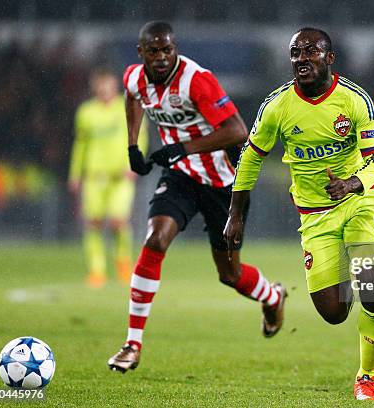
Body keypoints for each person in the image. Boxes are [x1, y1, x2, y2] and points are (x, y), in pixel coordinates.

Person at [107, 21, 286, 373]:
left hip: (223, 183)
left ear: (175, 49)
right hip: (181, 175)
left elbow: (237, 131)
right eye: (154, 51)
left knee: (230, 274)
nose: (161, 58)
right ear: (140, 53)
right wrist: (132, 144)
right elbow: (133, 98)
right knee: (155, 239)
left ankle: (272, 296)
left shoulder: (196, 80)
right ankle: (132, 343)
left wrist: (181, 146)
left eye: (167, 50)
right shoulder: (134, 78)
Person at [225, 28, 374, 401]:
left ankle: (367, 377)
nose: (302, 59)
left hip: (360, 202)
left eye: (311, 52)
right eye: (296, 53)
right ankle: (357, 266)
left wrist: (353, 183)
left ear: (330, 58)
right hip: (315, 216)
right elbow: (251, 157)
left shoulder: (355, 101)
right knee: (333, 313)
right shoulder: (277, 107)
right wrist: (236, 213)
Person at [68, 68, 148, 288]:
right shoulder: (86, 112)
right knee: (93, 222)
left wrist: (135, 163)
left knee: (118, 220)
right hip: (94, 176)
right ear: (95, 88)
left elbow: (139, 135)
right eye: (100, 87)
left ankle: (123, 262)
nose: (104, 91)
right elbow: (80, 144)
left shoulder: (126, 108)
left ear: (115, 87)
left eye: (108, 87)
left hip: (120, 176)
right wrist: (75, 174)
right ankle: (97, 270)